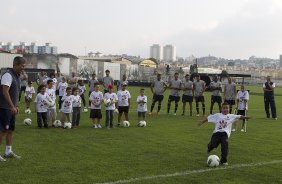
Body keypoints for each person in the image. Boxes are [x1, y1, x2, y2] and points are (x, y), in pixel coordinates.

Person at [0, 56, 25, 161]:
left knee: (10, 130)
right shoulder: (8, 75)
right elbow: (5, 92)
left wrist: (17, 106)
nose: (23, 68)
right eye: (21, 66)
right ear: (15, 65)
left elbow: (15, 94)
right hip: (5, 108)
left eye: (24, 66)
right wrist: (11, 106)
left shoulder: (17, 77)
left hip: (11, 109)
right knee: (3, 131)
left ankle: (8, 151)